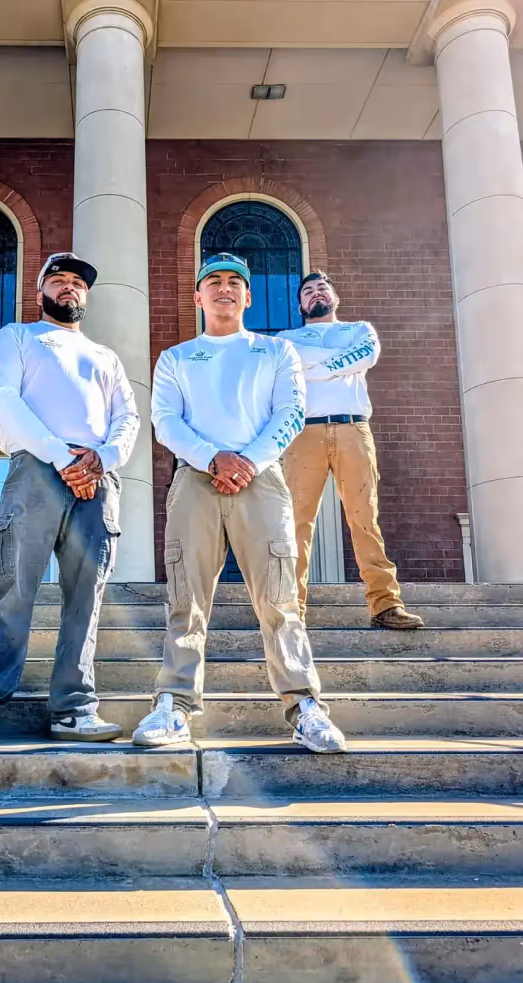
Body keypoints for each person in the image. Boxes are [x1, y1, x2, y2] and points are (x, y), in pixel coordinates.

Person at [132, 252, 346, 754]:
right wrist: (214, 459)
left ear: (248, 296)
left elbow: (291, 413)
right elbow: (165, 421)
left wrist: (246, 461)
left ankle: (304, 705)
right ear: (198, 296)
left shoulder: (274, 352)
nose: (224, 289)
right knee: (186, 601)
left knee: (279, 600)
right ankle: (174, 704)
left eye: (235, 282)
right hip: (195, 481)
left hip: (262, 480)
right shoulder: (178, 357)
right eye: (214, 282)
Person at [0, 252, 140, 751]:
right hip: (36, 471)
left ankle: (74, 709)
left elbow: (128, 418)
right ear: (41, 291)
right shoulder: (18, 336)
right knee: (12, 589)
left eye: (78, 282)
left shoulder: (106, 356)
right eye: (58, 280)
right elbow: (3, 399)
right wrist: (62, 457)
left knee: (86, 599)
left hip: (97, 483)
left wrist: (99, 461)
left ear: (87, 295)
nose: (69, 288)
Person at [279, 272, 423, 630]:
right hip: (302, 433)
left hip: (353, 428)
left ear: (334, 297)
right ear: (300, 305)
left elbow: (366, 356)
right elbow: (286, 369)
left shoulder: (359, 330)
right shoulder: (286, 339)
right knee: (295, 523)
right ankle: (291, 612)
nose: (315, 294)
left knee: (364, 519)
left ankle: (385, 605)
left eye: (321, 288)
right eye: (308, 291)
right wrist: (336, 364)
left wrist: (312, 367)